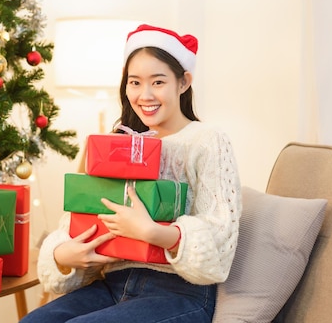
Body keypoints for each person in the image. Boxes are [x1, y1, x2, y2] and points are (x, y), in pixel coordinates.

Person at [21, 24, 242, 323]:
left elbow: (219, 243)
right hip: (111, 284)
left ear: (183, 82)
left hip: (179, 293)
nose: (145, 94)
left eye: (158, 82)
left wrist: (152, 232)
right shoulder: (116, 144)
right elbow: (75, 222)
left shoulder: (207, 141)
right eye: (134, 82)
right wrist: (62, 255)